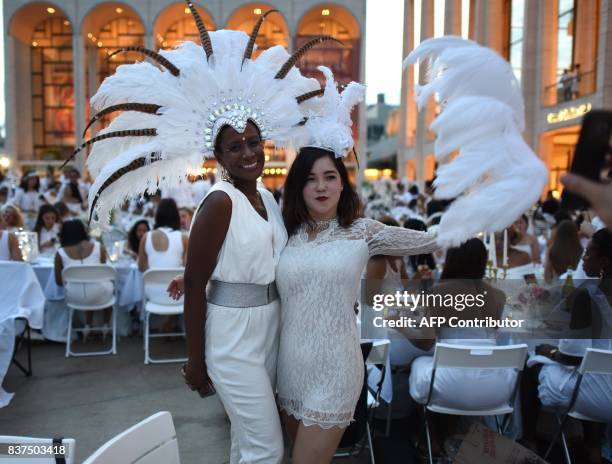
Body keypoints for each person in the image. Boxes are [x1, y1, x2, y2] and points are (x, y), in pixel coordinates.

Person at [276, 145, 438, 461]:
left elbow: (431, 239)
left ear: (342, 183)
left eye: (329, 176)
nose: (321, 186)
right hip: (288, 370)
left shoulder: (363, 231)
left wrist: (483, 211)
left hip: (336, 371)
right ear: (298, 186)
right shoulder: (286, 233)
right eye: (310, 179)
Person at [521, 229, 612, 463]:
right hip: (605, 387)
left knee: (530, 366)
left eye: (587, 254)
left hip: (598, 396)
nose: (582, 259)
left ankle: (529, 442)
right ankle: (594, 450)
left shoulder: (587, 296)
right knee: (595, 373)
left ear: (603, 262)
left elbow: (570, 357)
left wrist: (544, 350)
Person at [54, 220, 112, 340]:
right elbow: (104, 272)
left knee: (84, 286)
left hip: (74, 297)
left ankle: (87, 325)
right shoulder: (98, 247)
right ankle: (106, 325)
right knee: (105, 285)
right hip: (99, 295)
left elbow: (59, 282)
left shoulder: (60, 253)